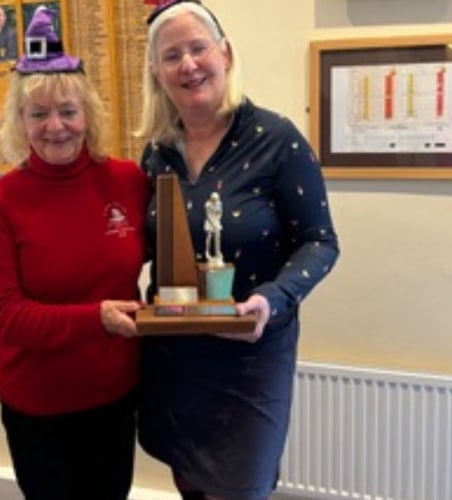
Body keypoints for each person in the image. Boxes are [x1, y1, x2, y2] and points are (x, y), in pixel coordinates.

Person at [135, 1, 340, 498]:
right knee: (189, 481)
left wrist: (274, 297)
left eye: (198, 48)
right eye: (172, 55)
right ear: (157, 73)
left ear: (224, 53)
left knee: (242, 487)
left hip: (252, 356)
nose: (188, 64)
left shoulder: (277, 139)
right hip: (177, 356)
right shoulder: (157, 152)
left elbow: (320, 242)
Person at [0, 6, 148, 499]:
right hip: (38, 402)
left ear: (88, 114)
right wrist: (98, 319)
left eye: (68, 111)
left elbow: (169, 253)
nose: (56, 126)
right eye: (38, 113)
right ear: (19, 121)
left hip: (116, 391)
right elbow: (4, 315)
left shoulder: (129, 182)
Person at [203, 191, 223, 265]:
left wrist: (217, 220)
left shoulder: (219, 204)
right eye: (213, 199)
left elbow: (221, 213)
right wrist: (212, 223)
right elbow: (207, 215)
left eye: (216, 199)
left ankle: (218, 252)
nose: (215, 200)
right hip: (209, 221)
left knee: (218, 237)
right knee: (209, 237)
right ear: (211, 198)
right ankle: (207, 252)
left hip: (216, 221)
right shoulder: (207, 204)